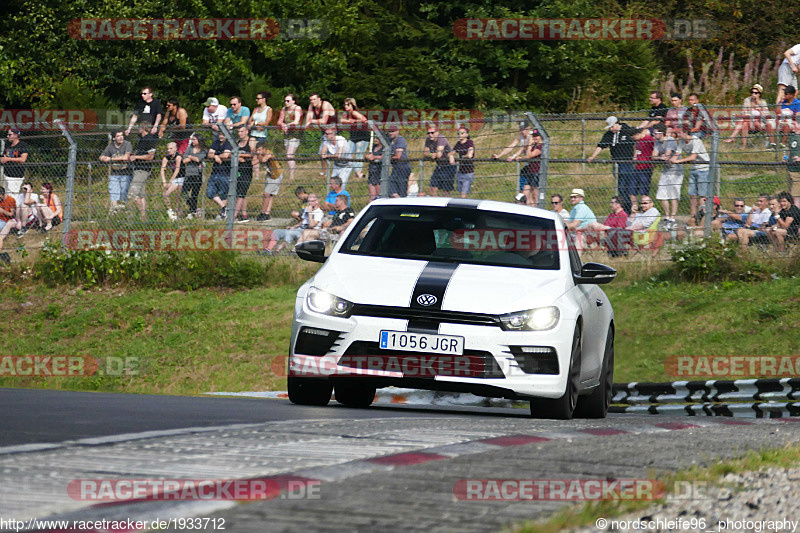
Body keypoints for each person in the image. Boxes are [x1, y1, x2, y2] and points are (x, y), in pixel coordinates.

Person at [587, 116, 643, 214]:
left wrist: (636, 154)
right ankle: (625, 210)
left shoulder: (627, 130)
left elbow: (638, 139)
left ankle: (629, 209)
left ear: (617, 124)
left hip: (627, 163)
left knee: (626, 187)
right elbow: (601, 146)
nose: (611, 129)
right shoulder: (609, 134)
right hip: (616, 164)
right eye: (610, 127)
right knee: (620, 187)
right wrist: (593, 156)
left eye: (612, 126)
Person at [671, 126, 711, 223]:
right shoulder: (681, 141)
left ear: (685, 132)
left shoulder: (696, 140)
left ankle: (702, 216)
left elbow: (693, 156)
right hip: (694, 168)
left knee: (702, 195)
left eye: (679, 133)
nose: (678, 135)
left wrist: (678, 161)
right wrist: (672, 159)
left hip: (703, 169)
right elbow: (677, 153)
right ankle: (693, 216)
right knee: (692, 194)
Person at [652, 124, 682, 230]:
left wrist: (661, 157)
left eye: (655, 133)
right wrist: (661, 157)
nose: (653, 135)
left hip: (675, 171)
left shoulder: (670, 140)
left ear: (661, 133)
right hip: (665, 171)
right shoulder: (657, 142)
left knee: (674, 194)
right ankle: (667, 216)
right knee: (662, 194)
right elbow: (654, 156)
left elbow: (667, 155)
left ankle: (673, 218)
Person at [128, 123, 158, 220]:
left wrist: (136, 157)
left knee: (132, 194)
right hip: (137, 168)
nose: (137, 129)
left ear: (144, 128)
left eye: (139, 127)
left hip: (143, 169)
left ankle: (131, 217)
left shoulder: (149, 139)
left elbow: (150, 156)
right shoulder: (140, 139)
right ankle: (143, 217)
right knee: (141, 195)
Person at [98, 130, 133, 212]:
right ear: (114, 138)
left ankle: (125, 210)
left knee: (124, 191)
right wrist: (103, 158)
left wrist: (110, 159)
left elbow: (125, 157)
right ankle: (114, 211)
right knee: (114, 192)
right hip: (114, 173)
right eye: (118, 136)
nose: (121, 137)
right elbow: (101, 156)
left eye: (122, 135)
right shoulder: (111, 146)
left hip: (125, 172)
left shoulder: (127, 144)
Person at [340, 98, 369, 179]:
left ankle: (358, 173)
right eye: (345, 104)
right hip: (353, 136)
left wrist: (353, 121)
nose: (346, 106)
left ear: (352, 105)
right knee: (347, 154)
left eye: (348, 105)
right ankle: (355, 171)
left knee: (359, 154)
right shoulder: (346, 113)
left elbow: (364, 120)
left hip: (362, 136)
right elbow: (342, 120)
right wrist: (349, 121)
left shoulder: (354, 112)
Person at [206, 131, 233, 220]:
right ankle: (224, 208)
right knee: (210, 192)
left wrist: (216, 155)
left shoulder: (229, 143)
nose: (221, 136)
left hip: (225, 172)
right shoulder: (216, 142)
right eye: (220, 134)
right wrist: (215, 157)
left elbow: (226, 155)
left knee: (223, 194)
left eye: (223, 134)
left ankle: (223, 214)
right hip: (215, 171)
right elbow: (209, 154)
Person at [424, 124, 456, 197]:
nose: (430, 135)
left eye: (432, 133)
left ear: (437, 132)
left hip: (449, 166)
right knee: (432, 188)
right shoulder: (428, 140)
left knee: (446, 190)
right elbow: (425, 153)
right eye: (428, 133)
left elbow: (439, 155)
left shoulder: (441, 138)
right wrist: (430, 155)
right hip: (439, 166)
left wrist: (433, 154)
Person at [277, 94, 303, 181]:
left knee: (289, 155)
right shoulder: (284, 109)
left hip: (295, 134)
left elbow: (296, 121)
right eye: (285, 101)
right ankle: (291, 173)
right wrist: (283, 124)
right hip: (287, 134)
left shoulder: (297, 108)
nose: (286, 102)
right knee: (288, 155)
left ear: (293, 101)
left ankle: (292, 175)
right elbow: (279, 121)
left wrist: (287, 125)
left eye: (288, 101)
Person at [254, 142, 283, 221]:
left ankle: (263, 212)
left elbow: (263, 160)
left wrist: (258, 156)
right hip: (270, 174)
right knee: (269, 194)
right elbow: (253, 162)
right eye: (257, 150)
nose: (258, 152)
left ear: (264, 149)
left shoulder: (268, 152)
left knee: (266, 194)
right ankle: (267, 214)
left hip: (276, 175)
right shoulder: (259, 154)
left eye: (259, 150)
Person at [182, 134, 207, 219]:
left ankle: (192, 212)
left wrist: (190, 156)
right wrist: (192, 157)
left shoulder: (203, 150)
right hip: (189, 173)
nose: (193, 141)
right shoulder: (189, 148)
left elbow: (198, 159)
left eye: (194, 139)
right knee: (184, 192)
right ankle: (194, 209)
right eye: (192, 139)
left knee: (194, 194)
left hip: (198, 174)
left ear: (199, 140)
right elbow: (184, 160)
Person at [233, 125, 254, 223]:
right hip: (237, 171)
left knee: (241, 193)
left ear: (246, 132)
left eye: (241, 131)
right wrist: (237, 158)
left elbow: (253, 154)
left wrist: (240, 155)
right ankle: (244, 215)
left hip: (247, 170)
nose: (239, 133)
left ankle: (234, 216)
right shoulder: (237, 142)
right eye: (238, 132)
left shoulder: (251, 140)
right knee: (241, 194)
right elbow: (232, 153)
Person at [160, 141, 184, 221]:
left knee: (179, 196)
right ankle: (170, 211)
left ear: (175, 149)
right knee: (165, 194)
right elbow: (162, 170)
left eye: (171, 148)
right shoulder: (166, 157)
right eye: (168, 149)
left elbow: (177, 170)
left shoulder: (178, 157)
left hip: (182, 177)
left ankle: (178, 214)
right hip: (175, 179)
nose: (169, 150)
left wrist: (170, 181)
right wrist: (164, 182)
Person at [1, 128, 29, 195]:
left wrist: (8, 159)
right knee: (6, 195)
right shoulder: (8, 145)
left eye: (10, 135)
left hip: (16, 176)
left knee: (13, 196)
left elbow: (23, 159)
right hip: (6, 174)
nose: (7, 136)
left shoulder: (22, 145)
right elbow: (3, 156)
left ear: (16, 135)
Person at [632, 129, 655, 207]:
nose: (634, 139)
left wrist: (652, 162)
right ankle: (634, 208)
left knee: (643, 191)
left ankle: (644, 207)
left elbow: (654, 149)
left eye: (634, 137)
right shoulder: (638, 142)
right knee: (632, 191)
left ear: (638, 134)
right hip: (637, 167)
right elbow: (638, 150)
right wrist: (635, 156)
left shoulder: (649, 139)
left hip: (646, 167)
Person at [388, 125, 411, 197]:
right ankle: (397, 201)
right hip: (395, 169)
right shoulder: (389, 141)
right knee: (391, 190)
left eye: (393, 131)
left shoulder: (400, 140)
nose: (391, 133)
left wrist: (386, 158)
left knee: (402, 191)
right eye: (389, 132)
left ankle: (403, 204)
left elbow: (398, 156)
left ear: (397, 131)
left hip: (403, 168)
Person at [453, 126, 475, 199]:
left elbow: (470, 154)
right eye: (458, 133)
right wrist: (451, 156)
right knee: (460, 192)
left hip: (468, 172)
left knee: (463, 194)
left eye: (462, 133)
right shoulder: (458, 143)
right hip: (461, 171)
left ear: (467, 134)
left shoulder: (470, 142)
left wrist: (462, 157)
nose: (460, 134)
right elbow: (451, 152)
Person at [0, 187, 16, 263]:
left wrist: (3, 211)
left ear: (3, 194)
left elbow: (12, 214)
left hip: (5, 220)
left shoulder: (11, 200)